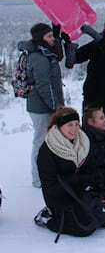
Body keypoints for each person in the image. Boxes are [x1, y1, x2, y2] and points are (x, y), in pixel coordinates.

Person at [34, 106, 105, 238]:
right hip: (61, 197)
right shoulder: (47, 151)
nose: (74, 129)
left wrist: (100, 192)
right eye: (69, 125)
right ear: (59, 126)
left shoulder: (83, 143)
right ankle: (48, 219)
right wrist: (83, 181)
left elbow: (93, 170)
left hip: (83, 192)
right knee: (85, 227)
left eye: (76, 124)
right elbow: (51, 186)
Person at [18, 23, 65, 188]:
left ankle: (48, 174)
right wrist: (55, 106)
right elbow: (44, 85)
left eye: (52, 36)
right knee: (40, 141)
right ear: (40, 38)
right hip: (41, 107)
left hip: (46, 105)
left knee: (50, 141)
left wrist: (58, 37)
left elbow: (59, 56)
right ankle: (38, 178)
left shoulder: (45, 52)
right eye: (49, 36)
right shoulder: (38, 57)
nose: (52, 39)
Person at [65, 18, 105, 132]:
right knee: (88, 125)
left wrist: (96, 36)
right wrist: (68, 44)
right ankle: (88, 148)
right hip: (93, 90)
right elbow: (77, 57)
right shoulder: (96, 44)